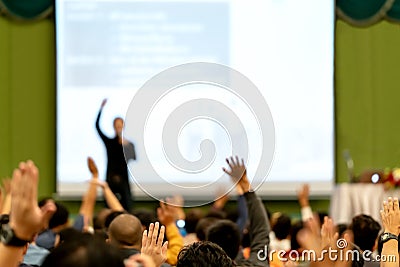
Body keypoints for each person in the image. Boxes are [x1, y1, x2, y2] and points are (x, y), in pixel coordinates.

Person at [96, 98, 136, 211]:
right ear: (114, 127)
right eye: (117, 125)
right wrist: (101, 109)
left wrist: (126, 146)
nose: (119, 127)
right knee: (109, 207)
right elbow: (97, 127)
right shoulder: (109, 142)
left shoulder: (129, 144)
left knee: (127, 206)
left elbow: (134, 157)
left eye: (121, 125)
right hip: (111, 179)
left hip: (124, 180)